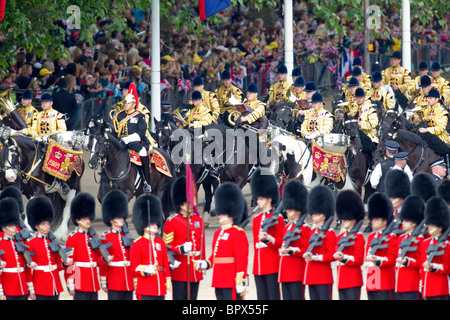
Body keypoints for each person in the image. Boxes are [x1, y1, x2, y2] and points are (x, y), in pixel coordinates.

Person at [196, 183, 249, 300]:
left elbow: (242, 260)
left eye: (222, 212)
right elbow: (214, 256)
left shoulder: (238, 233)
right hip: (218, 279)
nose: (219, 215)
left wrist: (241, 280)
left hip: (231, 280)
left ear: (230, 213)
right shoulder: (217, 233)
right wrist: (206, 263)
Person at [163, 176, 205, 300]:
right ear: (181, 203)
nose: (192, 204)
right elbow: (167, 248)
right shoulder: (172, 222)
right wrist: (180, 249)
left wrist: (201, 261)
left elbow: (201, 244)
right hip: (180, 271)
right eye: (188, 201)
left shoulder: (198, 221)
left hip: (195, 269)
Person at [64, 193, 113, 300]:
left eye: (88, 218)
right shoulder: (73, 238)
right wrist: (71, 284)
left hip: (93, 281)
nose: (87, 221)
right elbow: (70, 264)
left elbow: (98, 260)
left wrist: (104, 259)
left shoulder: (94, 236)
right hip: (80, 281)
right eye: (84, 219)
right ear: (77, 220)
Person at [26, 196, 72, 300]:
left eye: (48, 223)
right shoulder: (31, 244)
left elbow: (57, 264)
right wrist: (31, 288)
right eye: (44, 224)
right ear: (36, 226)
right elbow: (27, 269)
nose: (47, 226)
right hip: (40, 285)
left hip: (54, 284)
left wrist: (64, 264)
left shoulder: (53, 242)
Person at [110, 84, 152, 193]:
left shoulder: (139, 115)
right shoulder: (120, 115)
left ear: (133, 104)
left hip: (136, 142)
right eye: (125, 103)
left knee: (143, 152)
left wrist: (128, 139)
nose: (125, 105)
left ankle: (147, 182)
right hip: (121, 141)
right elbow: (115, 131)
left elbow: (141, 133)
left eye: (128, 103)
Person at [250, 168, 285, 300]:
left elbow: (280, 242)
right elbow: (255, 245)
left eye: (261, 198)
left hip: (272, 265)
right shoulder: (256, 220)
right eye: (257, 198)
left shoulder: (278, 218)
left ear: (269, 199)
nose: (258, 201)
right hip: (258, 266)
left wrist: (269, 239)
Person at [131, 194, 171, 300]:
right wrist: (144, 270)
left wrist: (166, 283)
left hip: (160, 288)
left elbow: (165, 265)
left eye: (156, 223)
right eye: (151, 223)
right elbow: (134, 267)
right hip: (145, 288)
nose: (155, 226)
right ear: (144, 224)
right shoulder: (137, 243)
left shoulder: (160, 242)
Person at [98, 190, 134, 300]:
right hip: (114, 280)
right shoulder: (106, 237)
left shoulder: (128, 235)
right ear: (111, 219)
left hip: (128, 280)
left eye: (122, 217)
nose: (122, 219)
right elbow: (100, 261)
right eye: (118, 217)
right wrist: (104, 281)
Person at [302, 185, 336, 300]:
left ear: (323, 216)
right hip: (311, 276)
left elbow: (332, 255)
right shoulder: (311, 231)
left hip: (323, 276)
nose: (313, 215)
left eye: (316, 213)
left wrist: (316, 257)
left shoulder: (329, 233)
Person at [278, 180, 310, 300]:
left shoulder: (305, 228)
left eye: (291, 209)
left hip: (297, 273)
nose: (288, 211)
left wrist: (292, 250)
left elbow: (305, 250)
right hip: (284, 273)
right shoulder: (287, 227)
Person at [0, 197, 35, 300]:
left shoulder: (21, 243)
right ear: (4, 227)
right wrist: (1, 292)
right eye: (11, 226)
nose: (15, 227)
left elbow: (26, 267)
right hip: (8, 288)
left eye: (15, 225)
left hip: (23, 287)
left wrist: (31, 288)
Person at [333, 190, 366, 300]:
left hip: (353, 280)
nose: (343, 221)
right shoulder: (339, 237)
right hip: (341, 280)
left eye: (346, 219)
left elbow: (359, 259)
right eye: (343, 218)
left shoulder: (359, 237)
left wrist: (344, 258)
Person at [365, 193, 397, 300]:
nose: (373, 221)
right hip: (371, 278)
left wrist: (378, 260)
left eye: (376, 219)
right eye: (373, 219)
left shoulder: (391, 237)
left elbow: (392, 258)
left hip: (385, 280)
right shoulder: (371, 237)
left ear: (384, 220)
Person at [395, 195, 425, 300]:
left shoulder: (420, 240)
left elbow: (421, 263)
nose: (403, 223)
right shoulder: (400, 239)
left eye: (406, 221)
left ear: (413, 222)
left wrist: (407, 261)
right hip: (398, 285)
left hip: (412, 285)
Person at [421, 196, 450, 300]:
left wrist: (433, 266)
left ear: (440, 226)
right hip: (427, 289)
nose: (429, 228)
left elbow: (447, 267)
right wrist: (423, 287)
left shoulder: (445, 245)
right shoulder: (425, 243)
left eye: (432, 225)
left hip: (440, 288)